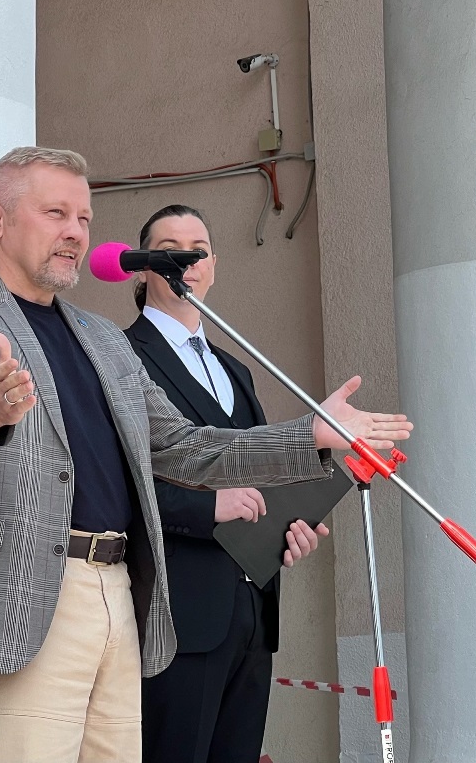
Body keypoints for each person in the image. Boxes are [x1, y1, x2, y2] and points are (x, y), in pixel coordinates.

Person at [0, 146, 412, 763]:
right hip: (24, 591)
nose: (75, 232)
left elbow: (189, 448)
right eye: (56, 213)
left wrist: (312, 435)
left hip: (120, 590)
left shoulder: (102, 338)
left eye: (84, 219)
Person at [125, 204, 329, 763]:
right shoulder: (122, 358)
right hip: (180, 611)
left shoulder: (236, 369)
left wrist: (289, 528)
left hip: (253, 609)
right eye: (169, 249)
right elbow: (122, 486)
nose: (186, 261)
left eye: (198, 250)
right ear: (142, 267)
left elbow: (256, 473)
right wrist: (208, 509)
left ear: (214, 265)